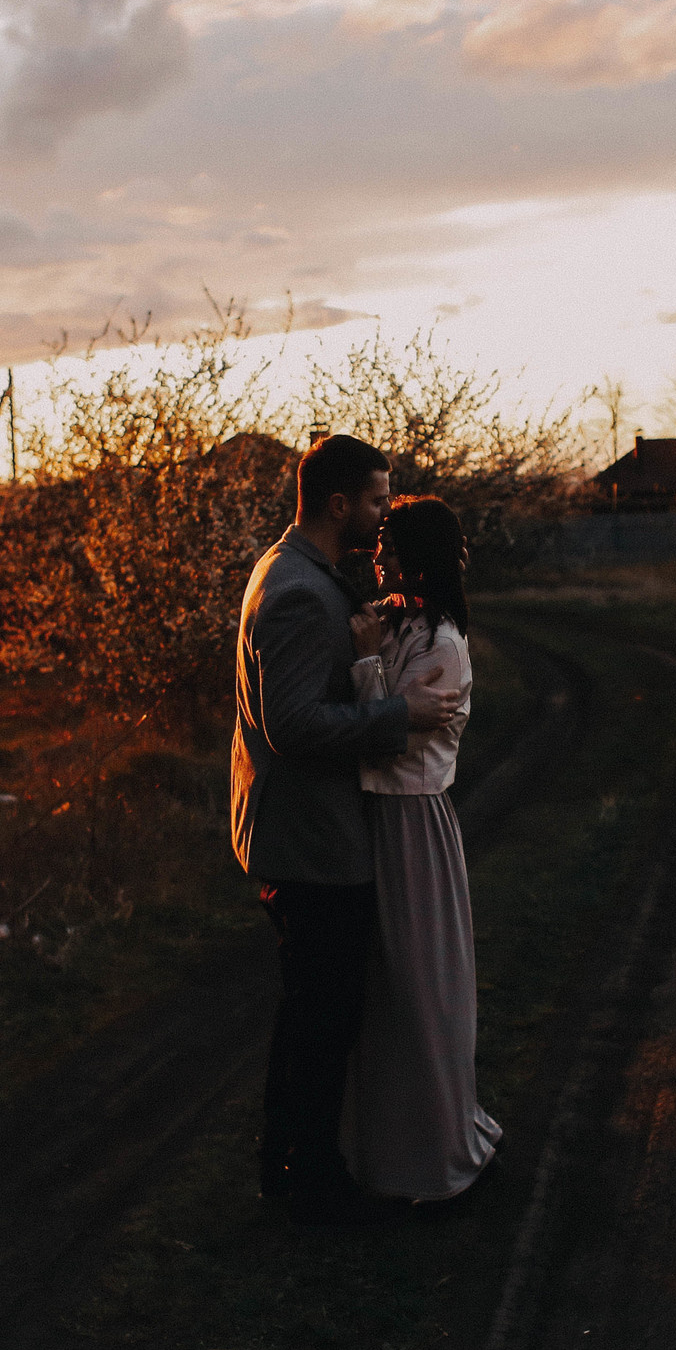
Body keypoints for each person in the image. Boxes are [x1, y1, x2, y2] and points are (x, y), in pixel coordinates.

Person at [231, 435, 460, 1225]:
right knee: (319, 1021)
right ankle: (305, 1180)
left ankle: (296, 1167)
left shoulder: (294, 569)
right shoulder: (299, 591)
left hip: (301, 833)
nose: (382, 513)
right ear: (338, 504)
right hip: (311, 842)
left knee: (316, 1012)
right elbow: (293, 726)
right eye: (374, 500)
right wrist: (399, 714)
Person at [341, 496, 502, 1203]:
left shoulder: (440, 644)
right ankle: (382, 1149)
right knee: (381, 986)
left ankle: (432, 1152)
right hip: (377, 819)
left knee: (419, 989)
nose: (380, 557)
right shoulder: (404, 620)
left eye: (392, 546)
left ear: (422, 555)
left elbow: (385, 733)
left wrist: (366, 660)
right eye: (379, 543)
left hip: (411, 823)